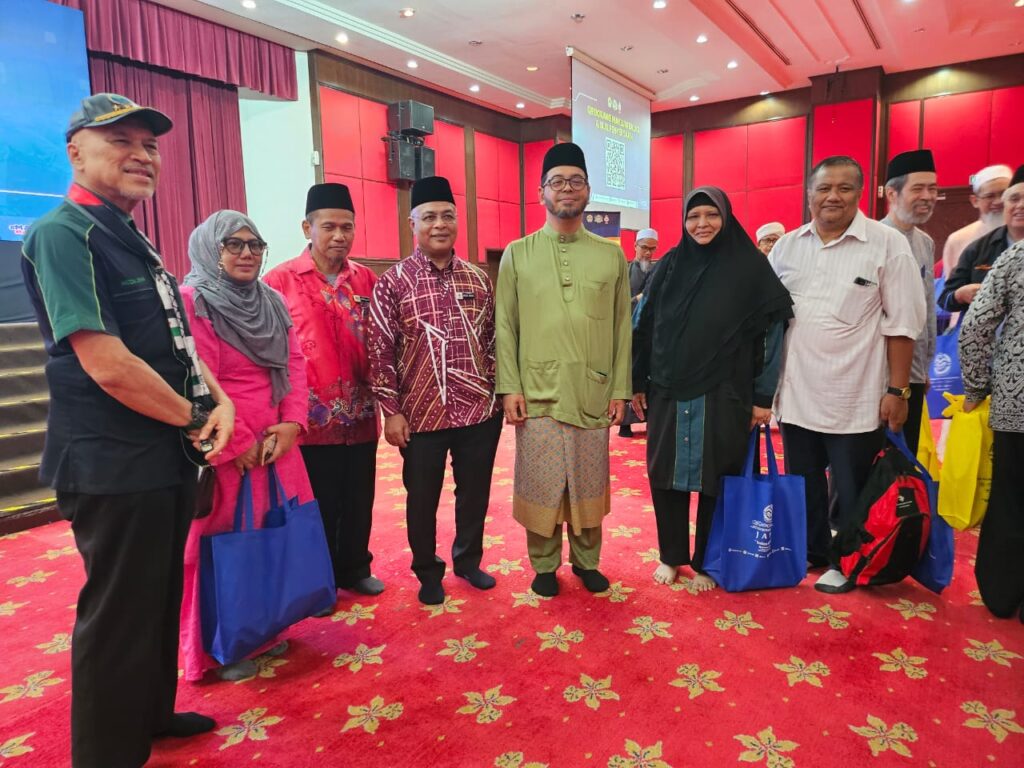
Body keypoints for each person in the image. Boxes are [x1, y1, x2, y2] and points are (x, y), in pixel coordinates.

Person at [20, 93, 233, 767]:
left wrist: (218, 399)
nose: (142, 155)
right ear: (76, 151)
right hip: (111, 461)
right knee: (118, 611)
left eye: (150, 145)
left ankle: (151, 714)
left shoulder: (126, 232)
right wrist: (195, 418)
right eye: (121, 141)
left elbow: (171, 339)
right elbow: (108, 363)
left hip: (160, 453)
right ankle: (108, 752)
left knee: (158, 595)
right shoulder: (64, 232)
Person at [769, 155, 925, 594]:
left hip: (855, 396)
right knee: (804, 484)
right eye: (823, 188)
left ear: (860, 193)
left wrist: (898, 390)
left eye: (844, 188)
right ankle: (815, 551)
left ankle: (850, 560)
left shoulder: (887, 244)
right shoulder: (788, 246)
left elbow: (903, 325)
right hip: (797, 394)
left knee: (854, 488)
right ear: (809, 195)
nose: (832, 197)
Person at [632, 187, 792, 591]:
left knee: (718, 477)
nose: (702, 224)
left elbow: (771, 333)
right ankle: (671, 555)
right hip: (667, 387)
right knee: (664, 474)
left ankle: (708, 559)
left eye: (711, 215)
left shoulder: (750, 268)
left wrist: (763, 396)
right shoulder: (670, 265)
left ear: (726, 216)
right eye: (693, 216)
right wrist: (637, 380)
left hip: (725, 390)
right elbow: (643, 324)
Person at [179, 210, 312, 681]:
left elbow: (294, 364)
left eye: (254, 245)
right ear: (209, 249)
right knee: (223, 547)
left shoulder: (270, 300)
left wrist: (292, 423)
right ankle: (215, 650)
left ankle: (266, 629)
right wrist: (236, 444)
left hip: (276, 444)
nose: (246, 254)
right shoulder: (193, 301)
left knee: (274, 535)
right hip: (226, 449)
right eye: (233, 245)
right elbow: (197, 381)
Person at [495, 141, 632, 597]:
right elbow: (505, 325)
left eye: (576, 181)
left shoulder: (611, 255)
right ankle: (544, 564)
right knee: (542, 481)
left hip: (593, 389)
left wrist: (620, 389)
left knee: (588, 480)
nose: (567, 189)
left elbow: (622, 327)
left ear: (588, 191)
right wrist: (509, 387)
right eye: (557, 182)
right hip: (537, 391)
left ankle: (587, 562)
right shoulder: (518, 253)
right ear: (542, 193)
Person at [367, 176, 502, 606]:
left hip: (478, 412)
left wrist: (498, 394)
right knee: (422, 499)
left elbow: (493, 341)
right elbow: (379, 350)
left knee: (474, 494)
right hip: (420, 415)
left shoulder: (478, 279)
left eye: (447, 216)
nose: (439, 224)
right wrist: (391, 410)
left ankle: (468, 561)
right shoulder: (393, 282)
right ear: (413, 224)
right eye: (429, 217)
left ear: (458, 221)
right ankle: (427, 570)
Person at [264, 183, 383, 600]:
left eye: (347, 227)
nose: (339, 235)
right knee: (317, 503)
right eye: (329, 226)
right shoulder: (279, 281)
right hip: (309, 420)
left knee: (359, 497)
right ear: (307, 228)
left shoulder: (365, 278)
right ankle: (317, 580)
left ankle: (355, 567)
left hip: (362, 413)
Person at [959, 236, 1024, 622]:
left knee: (1011, 495)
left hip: (1018, 398)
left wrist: (976, 386)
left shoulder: (1018, 254)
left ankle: (1002, 592)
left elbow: (977, 323)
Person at [881, 149, 939, 454]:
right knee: (872, 465)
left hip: (914, 375)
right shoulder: (875, 239)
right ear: (892, 193)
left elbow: (926, 310)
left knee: (905, 463)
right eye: (918, 188)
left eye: (933, 189)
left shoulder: (925, 242)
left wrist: (923, 367)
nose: (928, 196)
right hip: (880, 378)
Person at [939, 165, 1024, 314]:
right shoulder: (976, 248)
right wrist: (960, 295)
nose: (1021, 205)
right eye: (1014, 199)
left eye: (1002, 193)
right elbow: (945, 299)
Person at [941, 164, 1012, 278]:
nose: (998, 201)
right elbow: (952, 285)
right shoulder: (958, 240)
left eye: (1004, 194)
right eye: (990, 196)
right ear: (975, 201)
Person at [620, 228, 659, 437]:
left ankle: (650, 419)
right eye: (644, 247)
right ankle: (625, 423)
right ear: (635, 246)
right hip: (630, 332)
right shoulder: (625, 272)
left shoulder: (658, 271)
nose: (648, 253)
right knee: (629, 374)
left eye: (652, 249)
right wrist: (638, 299)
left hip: (651, 334)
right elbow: (618, 304)